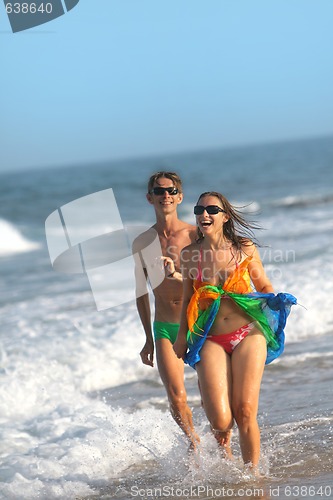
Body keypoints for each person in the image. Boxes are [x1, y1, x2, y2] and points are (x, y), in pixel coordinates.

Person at [173, 191, 296, 469]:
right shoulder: (190, 255)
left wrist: (273, 299)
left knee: (245, 410)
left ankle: (253, 478)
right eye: (199, 209)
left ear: (225, 216)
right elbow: (187, 300)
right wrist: (181, 336)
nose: (204, 214)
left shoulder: (244, 247)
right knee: (220, 420)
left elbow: (263, 285)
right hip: (212, 338)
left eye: (212, 210)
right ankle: (226, 454)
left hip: (248, 334)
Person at [132, 171, 200, 450]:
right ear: (150, 198)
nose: (166, 196)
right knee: (176, 397)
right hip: (164, 326)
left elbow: (209, 285)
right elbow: (140, 292)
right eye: (159, 192)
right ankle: (195, 444)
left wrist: (178, 277)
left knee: (210, 397)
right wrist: (148, 337)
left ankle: (225, 446)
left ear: (180, 197)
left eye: (171, 191)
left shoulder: (196, 235)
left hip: (197, 323)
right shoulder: (142, 242)